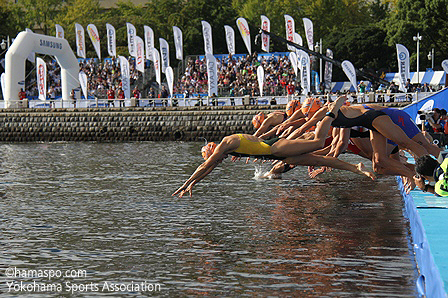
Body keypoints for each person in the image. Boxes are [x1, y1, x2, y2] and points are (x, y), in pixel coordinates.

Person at [173, 96, 375, 198]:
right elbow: (209, 166)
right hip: (273, 153)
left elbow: (205, 166)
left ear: (213, 150)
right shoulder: (229, 148)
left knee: (317, 143)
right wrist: (193, 183)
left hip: (275, 149)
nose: (216, 161)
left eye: (212, 157)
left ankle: (332, 111)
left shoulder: (227, 143)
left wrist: (188, 182)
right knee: (317, 159)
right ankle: (356, 169)